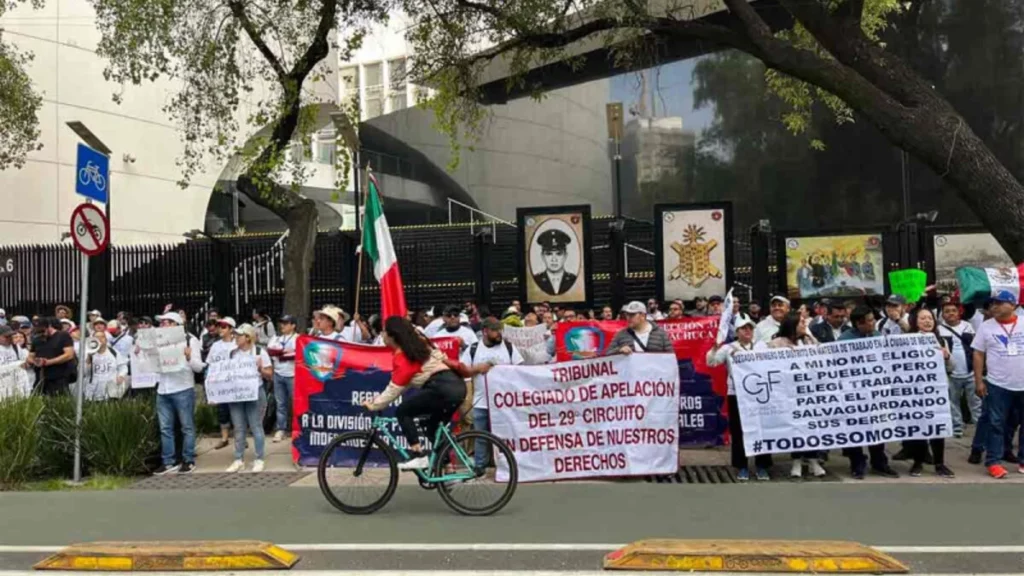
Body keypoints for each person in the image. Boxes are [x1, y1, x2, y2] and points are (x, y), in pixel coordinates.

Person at [362, 317, 467, 470]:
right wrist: (378, 400)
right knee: (432, 427)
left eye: (384, 331)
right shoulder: (414, 350)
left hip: (441, 388)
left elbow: (395, 388)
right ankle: (447, 469)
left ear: (392, 336)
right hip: (455, 386)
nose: (382, 334)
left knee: (403, 412)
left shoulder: (404, 355)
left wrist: (375, 405)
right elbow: (401, 384)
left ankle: (419, 456)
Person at [838, 306, 900, 479]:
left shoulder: (878, 337)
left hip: (876, 392)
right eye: (870, 320)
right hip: (854, 393)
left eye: (873, 319)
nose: (873, 323)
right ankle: (857, 464)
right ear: (859, 323)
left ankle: (879, 462)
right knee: (855, 429)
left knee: (878, 427)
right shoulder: (844, 341)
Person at [707, 316, 771, 481]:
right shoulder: (728, 348)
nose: (747, 331)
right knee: (739, 431)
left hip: (759, 395)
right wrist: (714, 348)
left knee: (762, 429)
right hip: (736, 395)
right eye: (744, 328)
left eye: (750, 328)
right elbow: (712, 362)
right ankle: (742, 466)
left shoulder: (761, 346)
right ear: (737, 332)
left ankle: (762, 465)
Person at [972, 290, 1024, 479]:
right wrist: (978, 380)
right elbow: (978, 353)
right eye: (992, 303)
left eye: (999, 303)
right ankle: (993, 462)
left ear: (1013, 305)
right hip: (998, 384)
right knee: (995, 424)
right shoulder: (986, 327)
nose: (994, 306)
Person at [460, 317, 524, 470]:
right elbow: (463, 370)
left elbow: (520, 369)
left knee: (506, 436)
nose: (498, 334)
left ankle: (506, 467)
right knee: (481, 437)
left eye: (499, 330)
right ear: (485, 331)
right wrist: (477, 369)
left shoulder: (508, 347)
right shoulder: (473, 349)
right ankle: (480, 467)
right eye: (495, 331)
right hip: (481, 402)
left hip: (503, 402)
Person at [768, 312, 825, 478]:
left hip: (809, 392)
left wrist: (809, 336)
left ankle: (813, 459)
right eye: (801, 323)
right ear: (792, 325)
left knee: (811, 426)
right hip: (789, 393)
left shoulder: (807, 340)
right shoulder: (776, 344)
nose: (804, 325)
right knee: (795, 428)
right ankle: (796, 461)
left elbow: (821, 356)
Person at [906, 308, 955, 478]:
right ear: (915, 322)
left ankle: (939, 463)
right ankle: (918, 462)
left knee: (937, 428)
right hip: (916, 393)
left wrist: (947, 357)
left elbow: (951, 368)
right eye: (923, 318)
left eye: (930, 318)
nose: (927, 321)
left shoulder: (940, 340)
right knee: (919, 429)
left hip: (936, 393)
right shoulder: (907, 341)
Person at [152, 312, 204, 475]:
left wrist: (189, 358)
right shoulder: (157, 341)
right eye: (162, 322)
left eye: (167, 322)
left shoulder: (190, 340)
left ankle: (188, 460)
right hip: (163, 389)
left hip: (182, 388)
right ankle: (168, 461)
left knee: (186, 426)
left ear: (176, 324)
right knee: (165, 428)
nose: (163, 325)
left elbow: (198, 367)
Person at [223, 323, 273, 473]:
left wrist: (260, 369)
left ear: (248, 337)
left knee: (256, 426)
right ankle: (238, 459)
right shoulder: (233, 353)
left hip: (255, 393)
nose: (236, 338)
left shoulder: (259, 352)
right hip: (237, 394)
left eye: (239, 335)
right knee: (238, 427)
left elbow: (270, 375)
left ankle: (259, 458)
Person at [938, 300, 978, 438]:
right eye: (947, 311)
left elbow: (975, 347)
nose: (950, 314)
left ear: (959, 312)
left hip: (970, 372)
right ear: (942, 314)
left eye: (953, 311)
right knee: (953, 403)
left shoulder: (968, 326)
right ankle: (957, 428)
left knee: (976, 402)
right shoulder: (939, 330)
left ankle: (980, 428)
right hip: (950, 374)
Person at [206, 318, 238, 450]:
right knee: (222, 411)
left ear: (231, 329)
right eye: (219, 326)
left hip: (235, 383)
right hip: (221, 384)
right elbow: (210, 364)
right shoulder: (215, 345)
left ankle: (239, 437)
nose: (220, 329)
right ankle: (224, 438)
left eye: (224, 327)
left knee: (237, 411)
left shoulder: (237, 344)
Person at [81, 319, 128, 401]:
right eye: (97, 338)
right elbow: (83, 373)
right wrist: (88, 359)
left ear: (106, 340)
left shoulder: (114, 352)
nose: (99, 340)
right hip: (93, 391)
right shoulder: (87, 353)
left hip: (110, 390)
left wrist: (121, 375)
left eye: (102, 337)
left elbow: (123, 366)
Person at [267, 315, 298, 443]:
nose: (282, 326)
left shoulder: (298, 338)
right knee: (281, 403)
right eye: (282, 323)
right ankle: (281, 429)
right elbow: (271, 351)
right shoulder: (276, 338)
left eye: (285, 323)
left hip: (292, 374)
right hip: (278, 373)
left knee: (296, 403)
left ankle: (297, 429)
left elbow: (296, 354)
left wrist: (282, 353)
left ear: (293, 325)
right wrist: (285, 353)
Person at [28, 318, 77, 395]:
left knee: (59, 401)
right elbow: (30, 357)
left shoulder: (63, 336)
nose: (42, 334)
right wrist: (35, 361)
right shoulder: (36, 340)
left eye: (43, 331)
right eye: (38, 332)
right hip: (41, 377)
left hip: (59, 376)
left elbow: (69, 355)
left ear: (49, 327)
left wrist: (49, 362)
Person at [608, 301, 672, 354]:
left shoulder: (660, 334)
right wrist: (619, 350)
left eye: (632, 315)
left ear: (643, 316)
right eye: (627, 314)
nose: (628, 318)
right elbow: (608, 354)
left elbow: (670, 356)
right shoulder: (621, 334)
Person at [532, 229, 578, 296]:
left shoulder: (574, 280)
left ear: (565, 255)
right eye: (549, 254)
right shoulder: (536, 280)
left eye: (559, 254)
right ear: (542, 256)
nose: (554, 259)